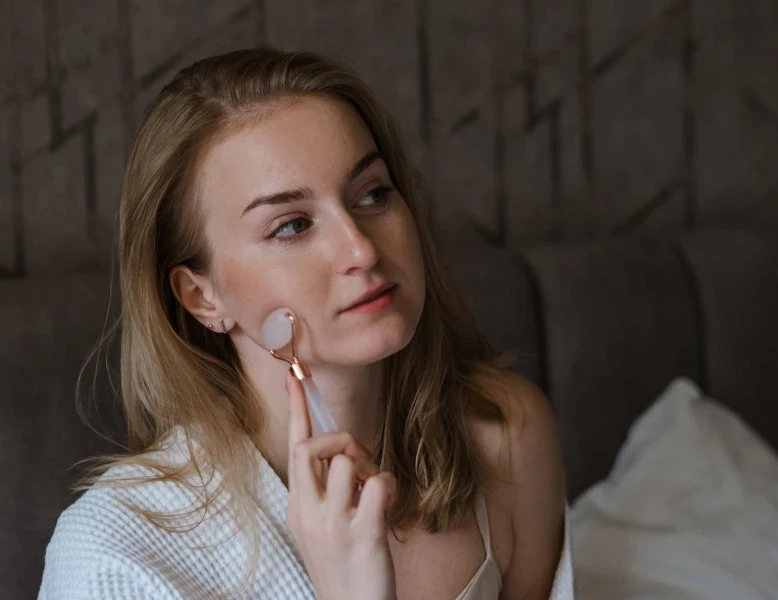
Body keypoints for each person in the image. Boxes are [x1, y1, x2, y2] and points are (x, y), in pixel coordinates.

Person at [39, 48, 572, 599]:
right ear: (202, 296)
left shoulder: (505, 436)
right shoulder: (113, 554)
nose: (361, 249)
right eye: (291, 226)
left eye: (373, 194)